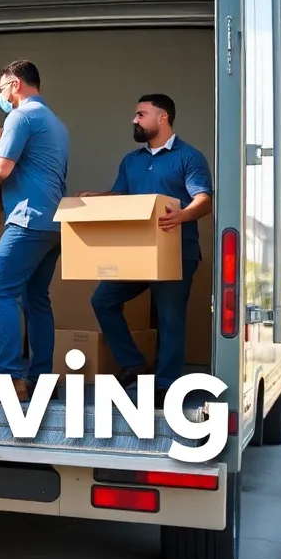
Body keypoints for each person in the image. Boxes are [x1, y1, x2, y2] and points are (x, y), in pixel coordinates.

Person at [77, 93, 214, 405]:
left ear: (162, 117)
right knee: (103, 300)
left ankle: (166, 386)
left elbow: (204, 199)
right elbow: (122, 195)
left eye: (141, 114)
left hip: (177, 252)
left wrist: (183, 215)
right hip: (137, 253)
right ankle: (134, 365)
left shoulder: (188, 157)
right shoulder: (132, 160)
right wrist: (97, 197)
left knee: (169, 318)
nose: (134, 120)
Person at [0, 60, 69, 402]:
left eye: (3, 88)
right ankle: (41, 380)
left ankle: (8, 380)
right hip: (54, 224)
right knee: (37, 300)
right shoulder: (56, 123)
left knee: (0, 293)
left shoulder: (20, 117)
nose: (2, 95)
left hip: (27, 221)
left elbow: (2, 168)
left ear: (16, 84)